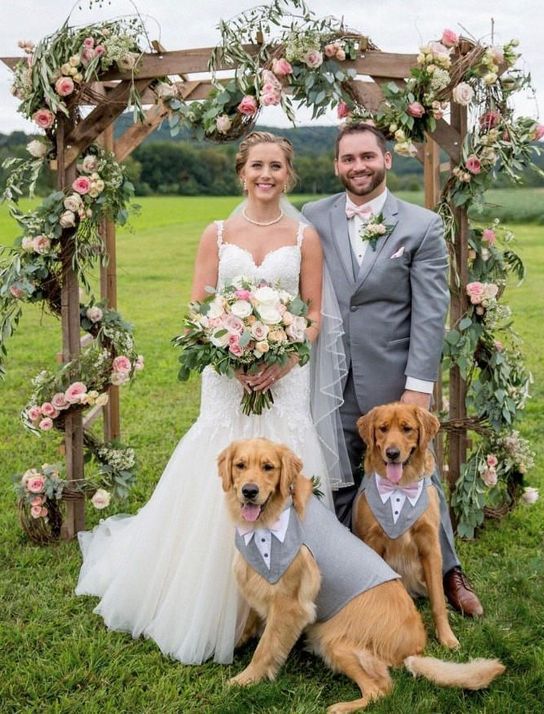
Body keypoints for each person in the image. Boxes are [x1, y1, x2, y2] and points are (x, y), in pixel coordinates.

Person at [75, 131, 346, 664]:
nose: (266, 175)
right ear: (241, 171)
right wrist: (229, 353)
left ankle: (291, 597)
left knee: (285, 470)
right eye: (256, 166)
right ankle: (211, 603)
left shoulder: (304, 237)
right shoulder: (216, 234)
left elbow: (313, 315)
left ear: (287, 175)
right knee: (220, 470)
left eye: (276, 167)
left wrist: (283, 358)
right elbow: (198, 311)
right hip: (226, 382)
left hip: (284, 378)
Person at [302, 122, 484, 618]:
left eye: (367, 157)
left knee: (419, 478)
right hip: (331, 379)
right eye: (347, 158)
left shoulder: (420, 225)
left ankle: (447, 572)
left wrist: (418, 388)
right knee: (337, 476)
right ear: (336, 164)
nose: (357, 167)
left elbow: (429, 312)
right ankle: (350, 581)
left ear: (387, 159)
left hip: (396, 384)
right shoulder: (313, 216)